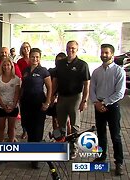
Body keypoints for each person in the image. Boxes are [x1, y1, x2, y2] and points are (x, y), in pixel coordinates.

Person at [90, 44, 126, 176]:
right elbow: (91, 89)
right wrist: (96, 102)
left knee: (115, 136)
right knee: (100, 134)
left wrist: (104, 102)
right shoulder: (96, 71)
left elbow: (120, 93)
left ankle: (119, 162)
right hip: (98, 106)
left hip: (112, 106)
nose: (104, 55)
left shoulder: (118, 71)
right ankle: (101, 156)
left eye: (106, 53)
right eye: (102, 52)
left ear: (112, 54)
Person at [52, 40, 90, 159]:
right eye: (68, 48)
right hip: (62, 98)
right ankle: (62, 147)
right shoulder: (60, 63)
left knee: (74, 126)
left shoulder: (82, 65)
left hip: (75, 98)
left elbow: (86, 85)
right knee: (61, 125)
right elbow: (56, 81)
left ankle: (73, 149)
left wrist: (84, 101)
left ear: (77, 49)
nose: (70, 50)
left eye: (73, 48)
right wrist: (53, 95)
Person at [20, 48, 52, 169]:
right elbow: (23, 87)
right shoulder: (26, 70)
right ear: (29, 57)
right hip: (26, 105)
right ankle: (30, 153)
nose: (34, 59)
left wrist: (47, 102)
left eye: (37, 57)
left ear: (40, 58)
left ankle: (36, 158)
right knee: (29, 129)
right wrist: (20, 100)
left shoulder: (44, 71)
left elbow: (50, 88)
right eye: (32, 56)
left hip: (39, 105)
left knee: (37, 131)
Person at [0, 57, 20, 142]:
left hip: (13, 107)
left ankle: (11, 144)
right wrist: (3, 106)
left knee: (11, 128)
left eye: (8, 65)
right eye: (4, 65)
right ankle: (1, 145)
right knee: (1, 128)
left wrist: (13, 105)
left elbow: (17, 93)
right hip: (0, 107)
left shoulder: (16, 79)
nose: (6, 67)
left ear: (12, 66)